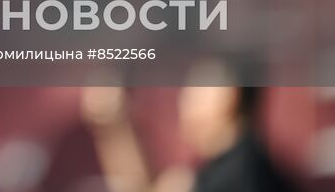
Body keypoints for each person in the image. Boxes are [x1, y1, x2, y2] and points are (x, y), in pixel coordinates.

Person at [81, 61, 300, 192]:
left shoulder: (237, 177)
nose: (183, 100)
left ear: (227, 95)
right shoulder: (239, 166)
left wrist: (115, 126)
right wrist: (115, 127)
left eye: (196, 87)